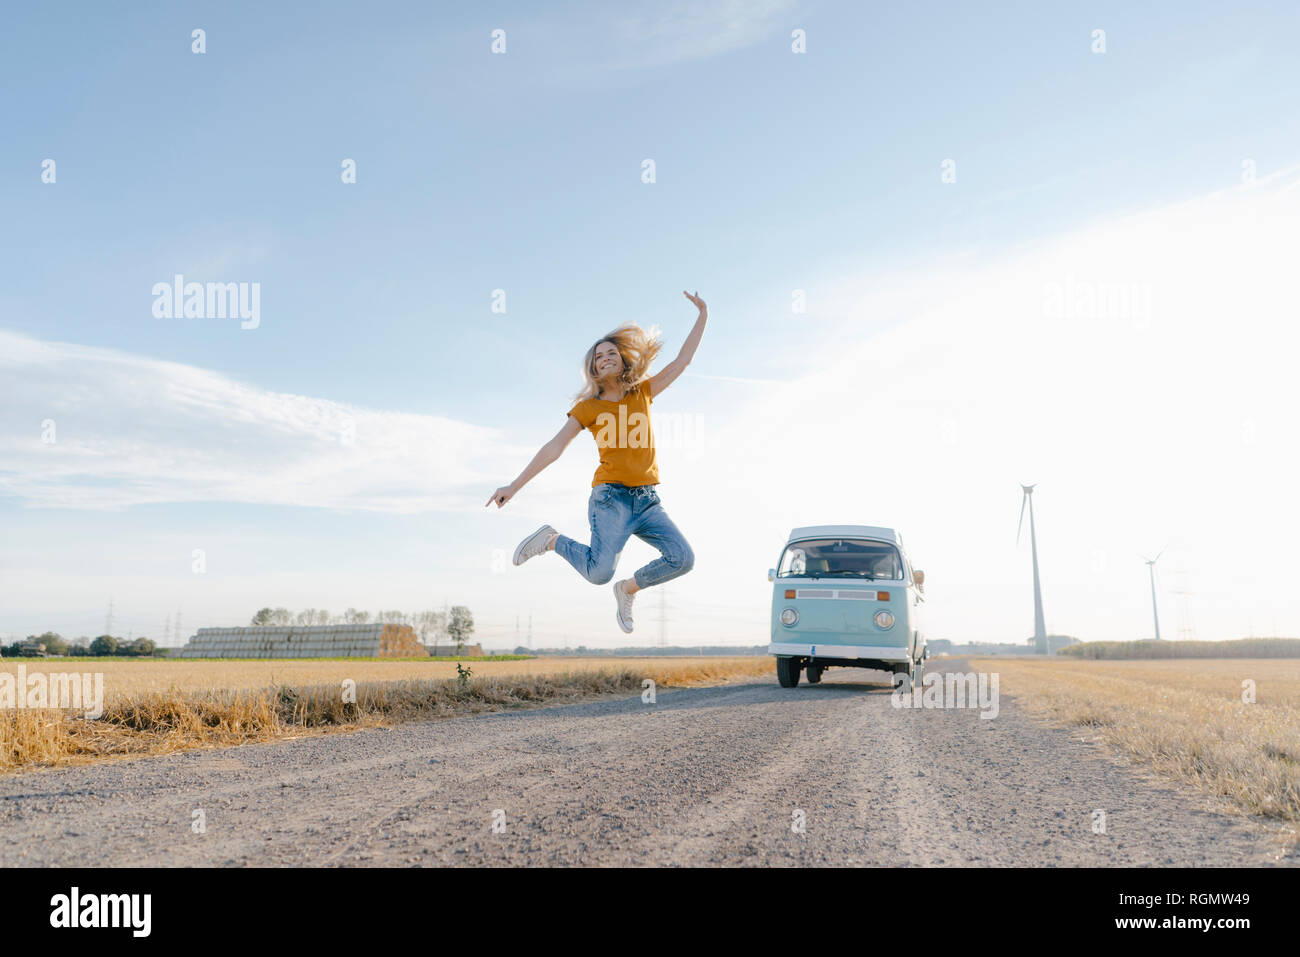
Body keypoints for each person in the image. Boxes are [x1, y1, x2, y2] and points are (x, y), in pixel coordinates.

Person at [486, 291, 708, 632]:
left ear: (622, 360)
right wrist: (514, 486)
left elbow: (682, 362)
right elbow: (554, 447)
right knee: (598, 573)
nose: (605, 358)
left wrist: (702, 314)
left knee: (683, 559)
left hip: (648, 501)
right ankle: (551, 539)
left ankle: (628, 589)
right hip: (611, 499)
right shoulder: (588, 408)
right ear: (592, 367)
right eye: (598, 356)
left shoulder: (643, 393)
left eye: (610, 353)